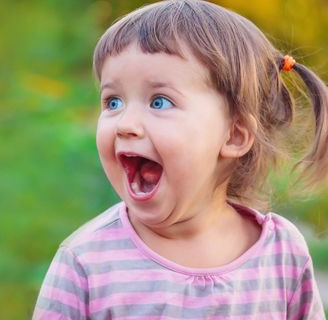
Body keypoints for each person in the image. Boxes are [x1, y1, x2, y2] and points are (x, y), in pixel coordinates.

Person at [33, 0, 328, 318]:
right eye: (113, 101)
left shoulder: (282, 254)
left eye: (159, 102)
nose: (125, 124)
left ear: (234, 136)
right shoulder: (86, 261)